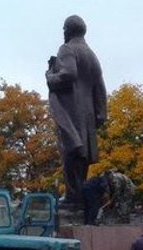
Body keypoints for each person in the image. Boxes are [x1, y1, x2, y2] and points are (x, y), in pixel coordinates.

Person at [46, 15, 107, 207]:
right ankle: (79, 195)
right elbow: (100, 86)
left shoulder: (67, 49)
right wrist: (101, 112)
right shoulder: (92, 54)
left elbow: (68, 74)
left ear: (67, 30)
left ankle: (73, 197)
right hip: (88, 114)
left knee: (71, 152)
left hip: (72, 111)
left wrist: (50, 75)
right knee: (81, 158)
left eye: (64, 29)